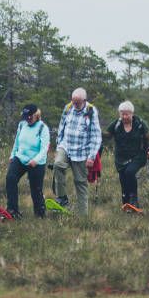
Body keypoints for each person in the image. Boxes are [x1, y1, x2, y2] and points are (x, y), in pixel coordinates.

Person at [51, 87, 102, 217]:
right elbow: (62, 125)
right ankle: (62, 197)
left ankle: (83, 217)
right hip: (66, 146)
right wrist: (59, 144)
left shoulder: (91, 111)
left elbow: (96, 136)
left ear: (84, 100)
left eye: (77, 102)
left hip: (81, 152)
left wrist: (91, 157)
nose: (74, 104)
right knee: (57, 165)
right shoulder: (68, 108)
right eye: (73, 101)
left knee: (80, 182)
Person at [104, 101, 149, 210]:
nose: (125, 116)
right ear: (119, 114)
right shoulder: (116, 124)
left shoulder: (140, 124)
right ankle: (126, 203)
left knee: (129, 172)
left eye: (127, 114)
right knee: (123, 179)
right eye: (122, 114)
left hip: (138, 156)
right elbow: (106, 135)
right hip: (120, 158)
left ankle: (133, 199)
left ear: (132, 113)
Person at [5, 104, 50, 218]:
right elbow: (17, 142)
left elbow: (45, 148)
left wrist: (35, 160)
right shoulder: (21, 125)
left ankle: (40, 214)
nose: (28, 119)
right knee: (10, 178)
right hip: (20, 158)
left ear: (36, 115)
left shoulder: (42, 128)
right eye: (26, 117)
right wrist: (12, 155)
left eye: (30, 117)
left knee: (36, 189)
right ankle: (12, 210)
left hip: (36, 162)